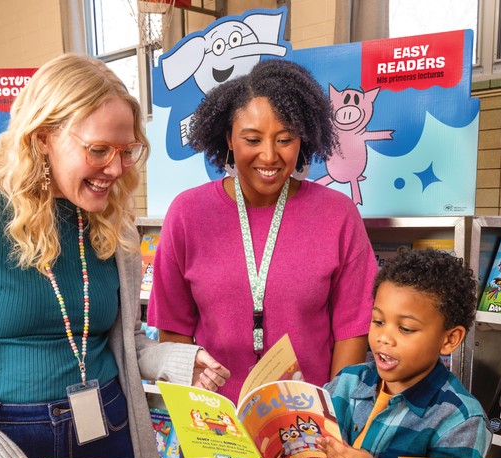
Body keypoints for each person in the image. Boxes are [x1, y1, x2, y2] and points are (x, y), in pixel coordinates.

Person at [0, 54, 228, 458]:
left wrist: (172, 360)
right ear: (42, 137)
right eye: (98, 150)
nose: (115, 169)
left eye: (127, 150)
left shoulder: (114, 224)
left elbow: (122, 339)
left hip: (107, 431)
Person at [147, 59, 377, 406]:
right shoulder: (187, 214)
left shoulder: (337, 214)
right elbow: (174, 329)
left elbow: (352, 329)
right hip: (214, 423)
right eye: (252, 139)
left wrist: (334, 413)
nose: (269, 156)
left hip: (308, 426)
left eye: (285, 139)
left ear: (305, 137)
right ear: (228, 137)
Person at [317, 249, 492, 458]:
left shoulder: (461, 420)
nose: (383, 338)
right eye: (378, 321)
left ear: (449, 339)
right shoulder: (345, 382)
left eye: (406, 329)